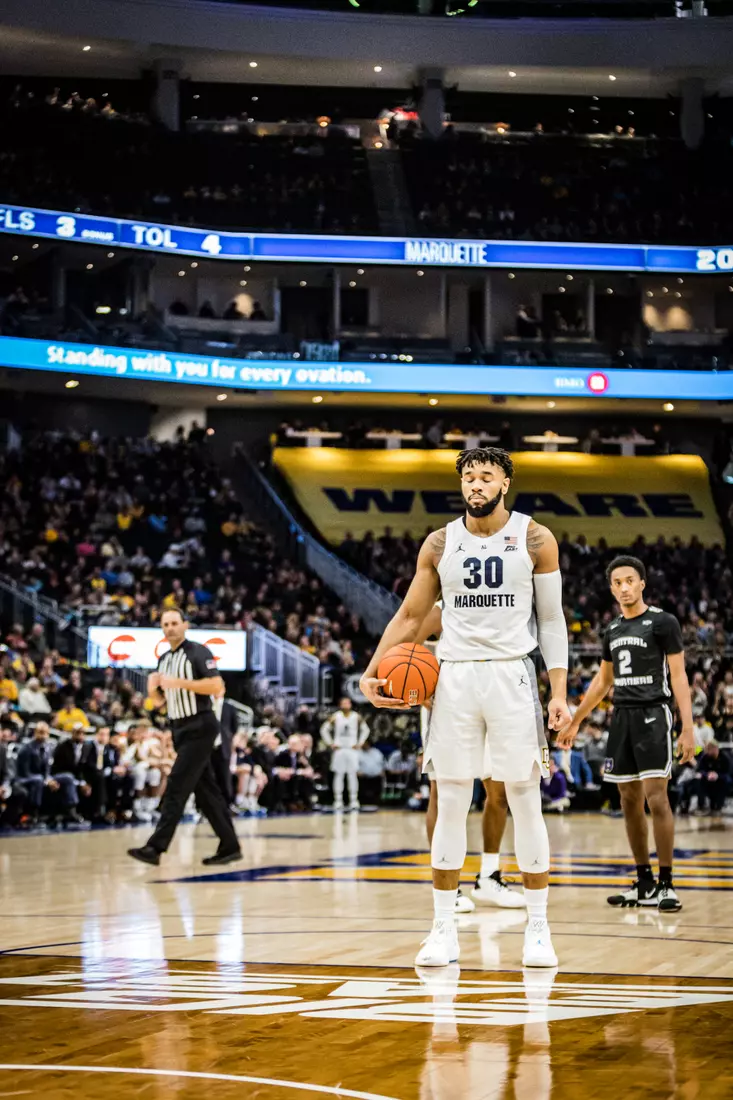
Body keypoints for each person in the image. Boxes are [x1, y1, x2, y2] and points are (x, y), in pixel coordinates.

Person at [360, 446, 570, 968]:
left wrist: (560, 692)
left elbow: (552, 621)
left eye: (486, 477)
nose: (476, 485)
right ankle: (442, 930)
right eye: (469, 478)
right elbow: (411, 616)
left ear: (504, 484)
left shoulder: (536, 538)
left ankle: (538, 929)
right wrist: (372, 667)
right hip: (453, 677)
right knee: (450, 798)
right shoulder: (439, 542)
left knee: (523, 796)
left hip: (512, 675)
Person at [557, 555, 694, 913]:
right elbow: (603, 682)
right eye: (617, 582)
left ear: (642, 583)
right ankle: (644, 880)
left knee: (656, 797)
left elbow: (679, 676)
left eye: (629, 580)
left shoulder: (663, 622)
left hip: (654, 714)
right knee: (627, 799)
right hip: (622, 718)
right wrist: (575, 722)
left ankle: (667, 882)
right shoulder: (612, 630)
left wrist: (688, 728)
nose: (623, 587)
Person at [419, 604, 524, 915]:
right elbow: (408, 642)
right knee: (444, 795)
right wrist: (423, 694)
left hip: (492, 695)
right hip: (448, 705)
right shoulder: (440, 603)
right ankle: (447, 886)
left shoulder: (500, 594)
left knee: (499, 791)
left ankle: (489, 876)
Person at [127, 609, 242, 866]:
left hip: (200, 726)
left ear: (185, 625)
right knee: (206, 792)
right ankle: (230, 845)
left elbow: (216, 685)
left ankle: (155, 847)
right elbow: (159, 702)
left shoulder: (198, 652)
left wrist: (179, 682)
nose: (170, 628)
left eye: (174, 623)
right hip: (179, 729)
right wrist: (152, 689)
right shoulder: (164, 659)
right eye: (165, 624)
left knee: (177, 783)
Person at [320, 697, 369, 811]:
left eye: (347, 703)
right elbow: (324, 729)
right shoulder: (336, 716)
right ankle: (338, 800)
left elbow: (366, 730)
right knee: (339, 775)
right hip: (339, 749)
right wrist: (330, 743)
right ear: (340, 705)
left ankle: (354, 800)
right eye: (343, 703)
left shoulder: (356, 716)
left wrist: (360, 743)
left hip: (352, 749)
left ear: (350, 704)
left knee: (352, 775)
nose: (345, 705)